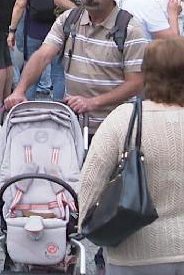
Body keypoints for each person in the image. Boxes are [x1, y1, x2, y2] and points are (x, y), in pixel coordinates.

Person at [79, 39, 184, 273]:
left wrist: (85, 223)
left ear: (146, 72)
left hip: (134, 251)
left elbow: (90, 180)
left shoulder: (124, 119)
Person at [4, 0, 147, 131]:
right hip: (74, 126)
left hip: (114, 129)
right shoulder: (69, 19)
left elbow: (136, 83)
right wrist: (20, 90)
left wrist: (92, 103)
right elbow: (43, 55)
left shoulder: (130, 29)